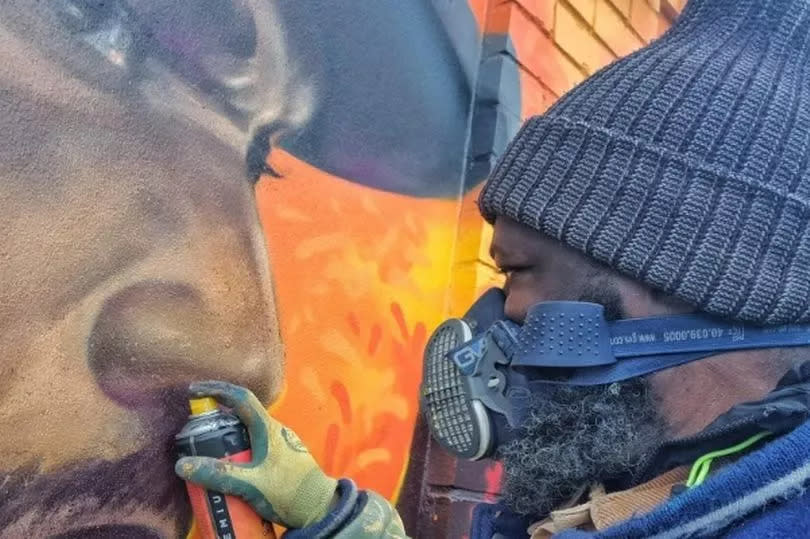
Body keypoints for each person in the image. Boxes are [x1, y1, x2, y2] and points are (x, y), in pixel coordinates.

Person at [177, 0, 810, 537]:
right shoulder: (636, 491)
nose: (499, 314)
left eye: (520, 272)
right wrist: (336, 515)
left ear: (681, 273)